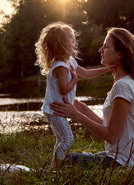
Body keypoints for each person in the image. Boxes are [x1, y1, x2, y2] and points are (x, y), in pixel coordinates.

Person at [51, 27, 134, 168]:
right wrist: (82, 109)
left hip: (126, 163)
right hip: (129, 159)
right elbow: (111, 127)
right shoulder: (127, 82)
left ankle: (49, 172)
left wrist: (76, 116)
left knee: (65, 160)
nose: (100, 50)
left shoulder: (122, 86)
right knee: (70, 156)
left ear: (120, 53)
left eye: (106, 46)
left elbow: (111, 135)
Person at [35, 22, 114, 171]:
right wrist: (75, 80)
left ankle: (54, 167)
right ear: (62, 44)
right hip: (56, 110)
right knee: (68, 139)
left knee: (61, 139)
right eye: (72, 40)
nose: (75, 43)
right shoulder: (61, 66)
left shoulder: (69, 61)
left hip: (57, 109)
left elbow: (86, 73)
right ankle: (55, 167)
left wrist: (106, 70)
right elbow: (64, 89)